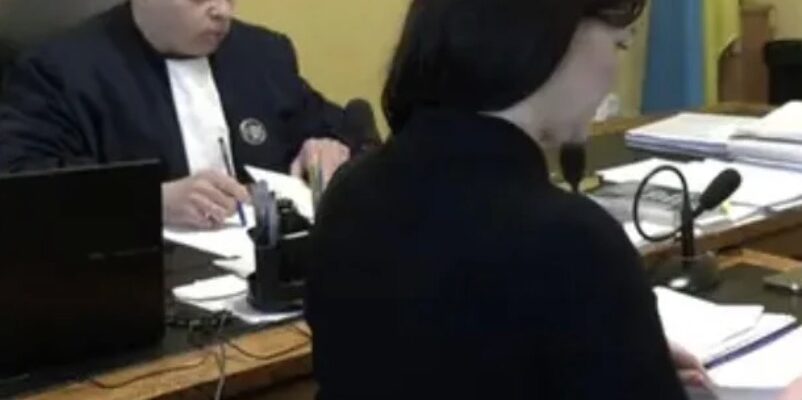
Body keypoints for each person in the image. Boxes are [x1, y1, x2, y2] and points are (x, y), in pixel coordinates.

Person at [306, 0, 707, 398]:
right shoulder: (573, 241)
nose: (614, 76)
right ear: (554, 39)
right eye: (619, 44)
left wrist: (621, 352)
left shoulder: (346, 196)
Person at [0, 0, 358, 229]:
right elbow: (21, 182)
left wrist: (329, 146)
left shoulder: (262, 52)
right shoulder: (60, 69)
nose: (222, 11)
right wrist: (151, 202)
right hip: (143, 282)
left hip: (268, 277)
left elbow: (344, 129)